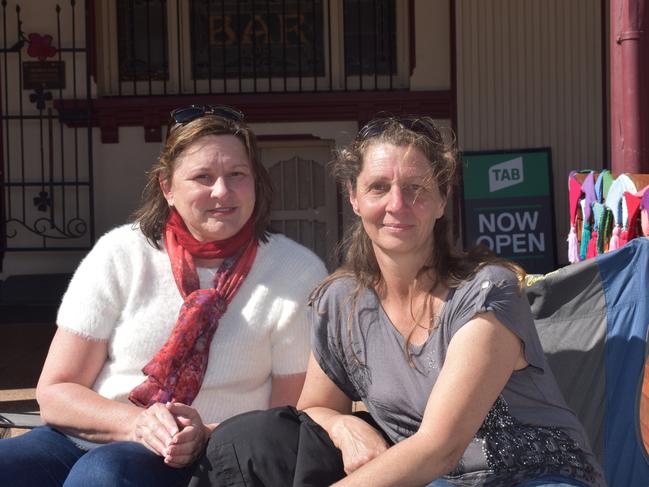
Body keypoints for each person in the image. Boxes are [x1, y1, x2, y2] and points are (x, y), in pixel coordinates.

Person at [190, 115, 606, 487]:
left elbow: (439, 447)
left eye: (415, 188)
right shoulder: (341, 302)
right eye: (378, 187)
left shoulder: (485, 292)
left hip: (538, 476)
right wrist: (344, 427)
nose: (396, 204)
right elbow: (315, 406)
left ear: (442, 199)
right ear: (353, 197)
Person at [0, 105, 328, 487]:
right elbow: (56, 391)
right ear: (167, 187)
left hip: (212, 450)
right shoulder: (120, 253)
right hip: (95, 433)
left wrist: (201, 431)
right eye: (202, 177)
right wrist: (137, 423)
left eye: (237, 175)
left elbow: (289, 415)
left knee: (104, 475)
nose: (222, 191)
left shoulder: (295, 271)